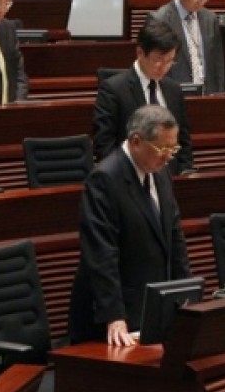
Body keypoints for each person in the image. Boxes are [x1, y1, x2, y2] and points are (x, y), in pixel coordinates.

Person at [68, 104, 191, 346]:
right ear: (136, 141)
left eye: (173, 148)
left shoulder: (161, 173)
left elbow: (174, 236)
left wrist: (186, 293)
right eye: (162, 148)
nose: (168, 157)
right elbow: (101, 252)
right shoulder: (105, 179)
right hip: (115, 319)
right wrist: (114, 316)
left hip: (151, 307)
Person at [92, 19, 194, 174]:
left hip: (170, 180)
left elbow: (184, 141)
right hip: (130, 178)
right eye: (158, 60)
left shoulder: (174, 90)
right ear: (140, 53)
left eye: (170, 61)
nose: (164, 67)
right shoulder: (113, 89)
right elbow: (104, 146)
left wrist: (184, 171)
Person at [148, 0, 225, 96]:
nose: (202, 2)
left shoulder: (210, 19)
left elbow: (217, 64)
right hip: (173, 98)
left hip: (208, 98)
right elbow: (154, 67)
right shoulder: (160, 20)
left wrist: (219, 94)